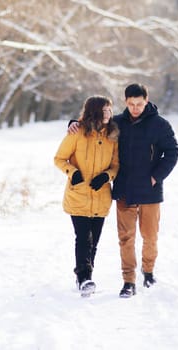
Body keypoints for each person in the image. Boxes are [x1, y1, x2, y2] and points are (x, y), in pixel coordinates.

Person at [68, 83, 178, 298]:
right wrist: (74, 123)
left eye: (139, 104)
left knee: (149, 236)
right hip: (124, 191)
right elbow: (93, 127)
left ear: (146, 101)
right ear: (125, 102)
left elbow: (172, 152)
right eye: (131, 104)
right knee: (126, 238)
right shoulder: (117, 123)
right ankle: (129, 281)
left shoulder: (160, 125)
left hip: (150, 191)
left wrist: (156, 177)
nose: (135, 108)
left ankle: (148, 270)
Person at [54, 95, 119, 297]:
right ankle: (84, 278)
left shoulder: (113, 136)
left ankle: (85, 276)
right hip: (79, 194)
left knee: (95, 240)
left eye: (110, 110)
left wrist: (107, 176)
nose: (108, 114)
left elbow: (116, 166)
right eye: (104, 110)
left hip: (101, 196)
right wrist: (73, 173)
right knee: (83, 238)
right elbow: (59, 158)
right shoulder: (77, 133)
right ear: (94, 111)